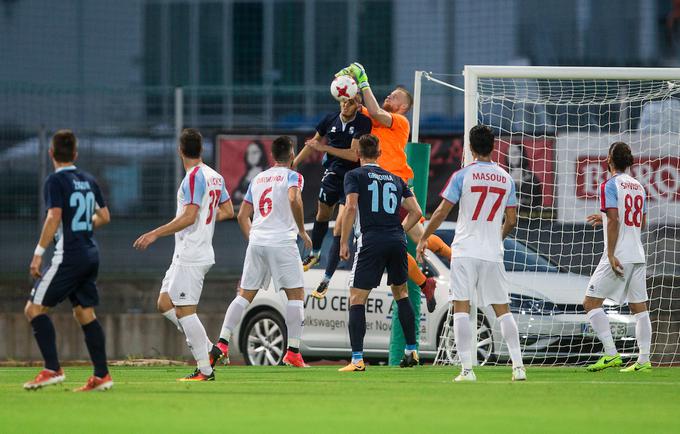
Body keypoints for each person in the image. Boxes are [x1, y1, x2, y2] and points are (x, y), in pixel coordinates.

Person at [335, 62, 452, 313]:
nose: (390, 96)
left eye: (395, 96)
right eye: (390, 93)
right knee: (403, 243)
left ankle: (450, 260)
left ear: (404, 107)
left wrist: (363, 79)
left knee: (404, 238)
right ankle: (426, 282)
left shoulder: (398, 121)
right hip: (375, 187)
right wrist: (347, 89)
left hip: (393, 186)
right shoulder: (372, 120)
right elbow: (353, 109)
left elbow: (375, 110)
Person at [417, 125, 526, 382]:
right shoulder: (506, 178)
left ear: (471, 147)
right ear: (493, 146)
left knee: (461, 308)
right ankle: (519, 367)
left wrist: (423, 237)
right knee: (503, 310)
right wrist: (496, 238)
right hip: (492, 253)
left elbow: (442, 212)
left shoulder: (462, 176)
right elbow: (512, 219)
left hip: (465, 251)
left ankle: (467, 370)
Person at [134, 128, 234, 381]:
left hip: (192, 254)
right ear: (200, 150)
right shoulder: (215, 176)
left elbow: (189, 216)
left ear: (180, 150)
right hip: (186, 254)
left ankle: (205, 369)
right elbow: (228, 210)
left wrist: (155, 233)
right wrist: (206, 221)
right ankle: (208, 348)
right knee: (165, 303)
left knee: (185, 312)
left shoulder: (192, 179)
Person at [210, 136, 313, 368]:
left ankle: (222, 344)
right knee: (295, 296)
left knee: (244, 295)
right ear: (292, 153)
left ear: (272, 155)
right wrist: (301, 231)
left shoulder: (257, 179)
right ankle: (293, 352)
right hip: (282, 242)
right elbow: (294, 198)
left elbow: (241, 216)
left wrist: (254, 239)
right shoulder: (294, 176)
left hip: (257, 242)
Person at [24, 129, 113, 391]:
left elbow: (53, 217)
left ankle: (52, 369)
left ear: (51, 153)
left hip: (69, 256)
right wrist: (84, 226)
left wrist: (38, 254)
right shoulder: (88, 179)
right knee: (84, 313)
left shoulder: (55, 181)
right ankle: (102, 375)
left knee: (33, 309)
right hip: (89, 254)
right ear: (75, 154)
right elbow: (105, 216)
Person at [338, 134, 423, 372]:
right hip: (396, 239)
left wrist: (344, 241)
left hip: (371, 240)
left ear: (358, 154)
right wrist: (400, 231)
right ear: (379, 154)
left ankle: (357, 359)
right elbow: (416, 211)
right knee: (402, 293)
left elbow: (352, 206)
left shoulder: (354, 175)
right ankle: (411, 351)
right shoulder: (396, 178)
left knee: (357, 298)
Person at [293, 95, 371, 299]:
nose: (346, 104)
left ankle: (326, 280)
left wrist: (325, 148)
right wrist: (292, 166)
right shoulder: (329, 119)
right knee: (322, 213)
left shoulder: (363, 122)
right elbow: (312, 143)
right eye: (343, 100)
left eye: (351, 102)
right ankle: (315, 254)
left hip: (353, 177)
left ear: (358, 105)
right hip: (333, 174)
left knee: (339, 227)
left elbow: (354, 155)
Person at [582, 142, 652, 372]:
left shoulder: (609, 185)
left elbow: (614, 220)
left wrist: (611, 254)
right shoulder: (639, 187)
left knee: (590, 303)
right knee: (639, 307)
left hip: (619, 254)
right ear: (629, 162)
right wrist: (604, 219)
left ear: (608, 160)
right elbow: (639, 222)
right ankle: (643, 360)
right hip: (637, 254)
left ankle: (611, 354)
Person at [506, 142, 541, 210]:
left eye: (515, 153)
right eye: (509, 154)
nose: (511, 157)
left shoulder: (532, 179)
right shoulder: (504, 178)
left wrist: (521, 202)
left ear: (522, 154)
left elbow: (537, 202)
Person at [233, 140, 268, 204]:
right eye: (248, 153)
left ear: (262, 153)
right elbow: (236, 193)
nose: (251, 156)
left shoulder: (268, 174)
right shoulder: (246, 175)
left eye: (254, 152)